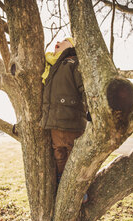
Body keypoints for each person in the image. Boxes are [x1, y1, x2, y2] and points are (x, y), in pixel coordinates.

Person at [40, 38, 88, 202]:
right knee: (58, 155)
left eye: (65, 40)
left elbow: (85, 87)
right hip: (54, 123)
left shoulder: (73, 62)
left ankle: (80, 189)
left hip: (71, 120)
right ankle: (62, 183)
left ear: (73, 46)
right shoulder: (52, 65)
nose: (59, 41)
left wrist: (91, 109)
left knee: (74, 156)